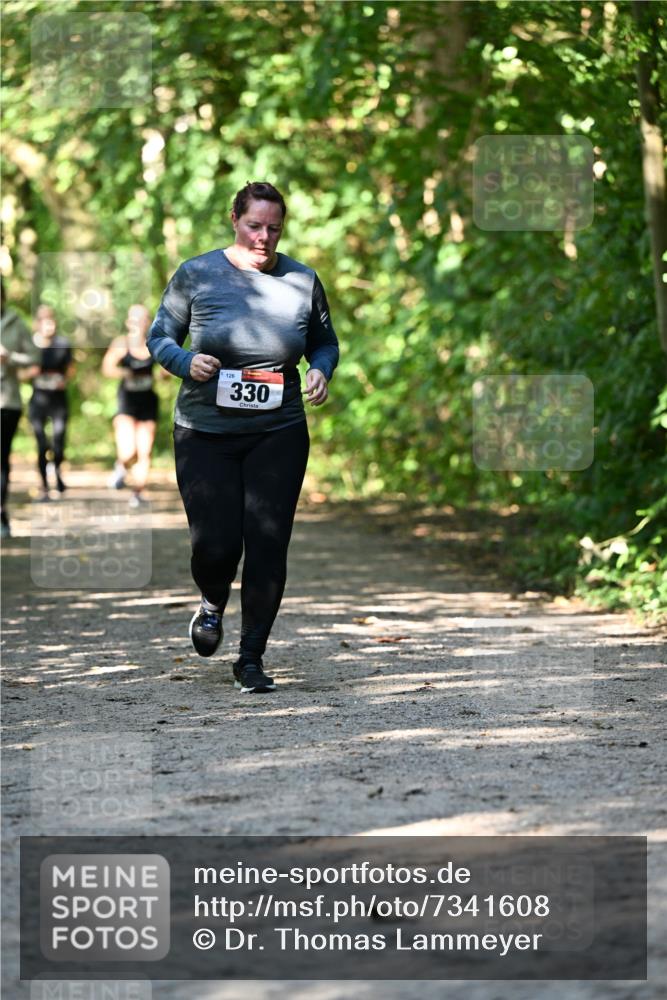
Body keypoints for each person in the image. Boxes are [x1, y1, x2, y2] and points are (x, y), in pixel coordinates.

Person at [147, 181, 339, 693]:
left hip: (278, 430)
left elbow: (323, 342)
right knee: (216, 545)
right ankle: (211, 602)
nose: (264, 237)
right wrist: (187, 361)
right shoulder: (197, 273)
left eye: (274, 228)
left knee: (268, 542)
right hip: (204, 431)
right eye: (254, 226)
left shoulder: (302, 280)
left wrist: (321, 370)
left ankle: (251, 656)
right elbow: (159, 336)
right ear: (234, 219)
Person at [102, 304, 160, 507]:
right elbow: (107, 368)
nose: (139, 323)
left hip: (148, 402)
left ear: (149, 322)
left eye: (143, 319)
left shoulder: (155, 344)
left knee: (144, 451)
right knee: (128, 451)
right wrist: (123, 373)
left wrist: (163, 375)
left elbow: (167, 369)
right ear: (128, 322)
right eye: (134, 319)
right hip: (127, 402)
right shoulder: (122, 343)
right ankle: (121, 466)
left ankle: (138, 493)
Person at [0, 281, 40, 537]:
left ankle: (1, 515)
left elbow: (35, 357)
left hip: (7, 402)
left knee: (1, 459)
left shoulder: (15, 322)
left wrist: (9, 358)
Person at [28, 304, 74, 501]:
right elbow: (21, 372)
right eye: (45, 321)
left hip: (58, 401)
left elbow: (71, 369)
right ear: (37, 324)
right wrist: (30, 373)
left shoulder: (63, 344)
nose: (50, 325)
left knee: (58, 440)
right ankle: (44, 486)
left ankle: (58, 473)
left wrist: (64, 379)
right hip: (38, 400)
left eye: (52, 321)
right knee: (41, 443)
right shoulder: (30, 345)